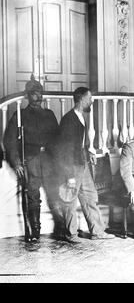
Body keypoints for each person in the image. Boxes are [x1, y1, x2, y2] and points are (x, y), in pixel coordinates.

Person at [3, 77, 61, 243]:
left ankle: (60, 227)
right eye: (35, 94)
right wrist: (16, 162)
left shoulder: (49, 115)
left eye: (40, 94)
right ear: (28, 96)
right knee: (33, 197)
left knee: (54, 194)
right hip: (31, 161)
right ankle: (35, 231)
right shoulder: (20, 115)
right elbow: (10, 141)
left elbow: (57, 139)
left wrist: (58, 161)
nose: (39, 97)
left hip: (49, 161)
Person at [55, 87, 115, 243]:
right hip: (72, 167)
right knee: (70, 200)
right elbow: (65, 149)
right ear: (81, 99)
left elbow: (79, 145)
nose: (92, 102)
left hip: (82, 164)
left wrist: (89, 154)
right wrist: (69, 176)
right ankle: (71, 234)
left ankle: (97, 231)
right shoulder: (69, 119)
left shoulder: (81, 117)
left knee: (89, 197)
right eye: (89, 99)